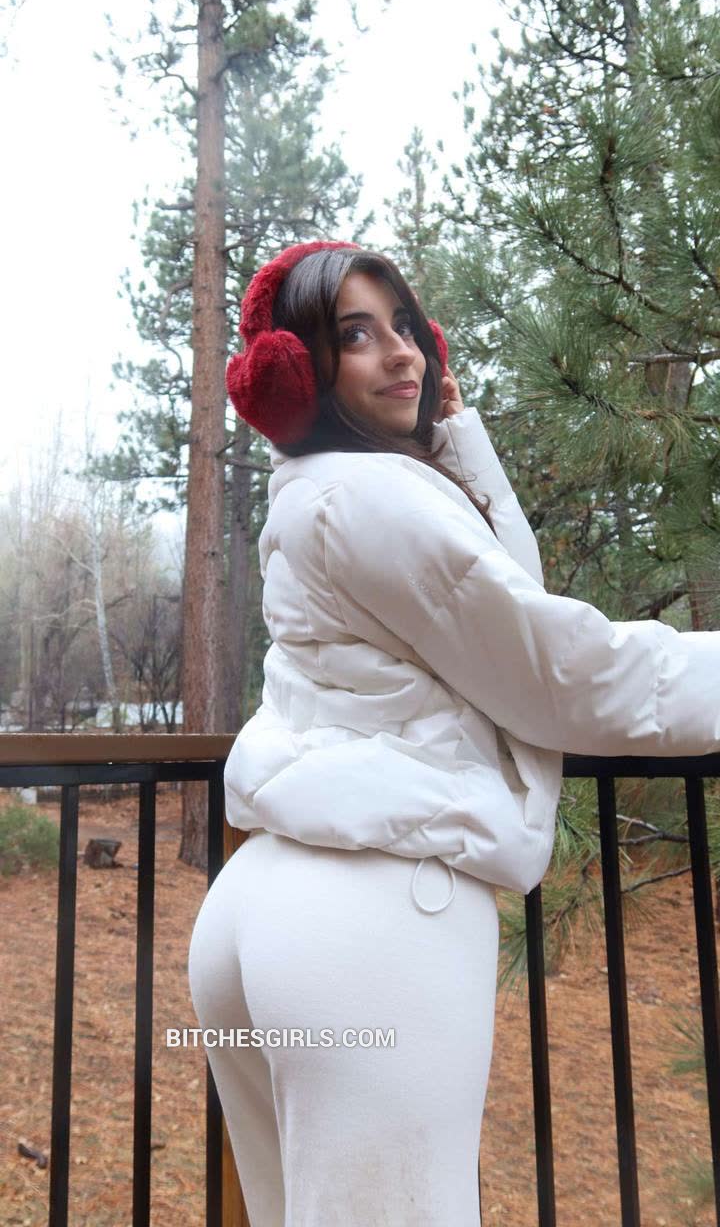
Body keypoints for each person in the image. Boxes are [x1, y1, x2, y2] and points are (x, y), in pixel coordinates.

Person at [188, 240, 719, 1227]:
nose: (403, 351)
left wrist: (453, 435)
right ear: (298, 371)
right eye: (357, 334)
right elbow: (560, 674)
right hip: (374, 921)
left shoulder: (318, 492)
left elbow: (498, 593)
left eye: (406, 327)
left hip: (267, 904)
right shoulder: (373, 499)